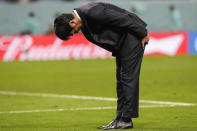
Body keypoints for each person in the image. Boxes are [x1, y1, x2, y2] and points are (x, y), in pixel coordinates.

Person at [54, 2, 149, 130]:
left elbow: (123, 19)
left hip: (132, 38)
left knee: (127, 79)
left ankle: (126, 120)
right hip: (122, 44)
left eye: (72, 33)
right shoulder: (84, 19)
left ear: (72, 23)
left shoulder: (92, 12)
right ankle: (119, 118)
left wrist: (142, 33)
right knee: (121, 80)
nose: (75, 33)